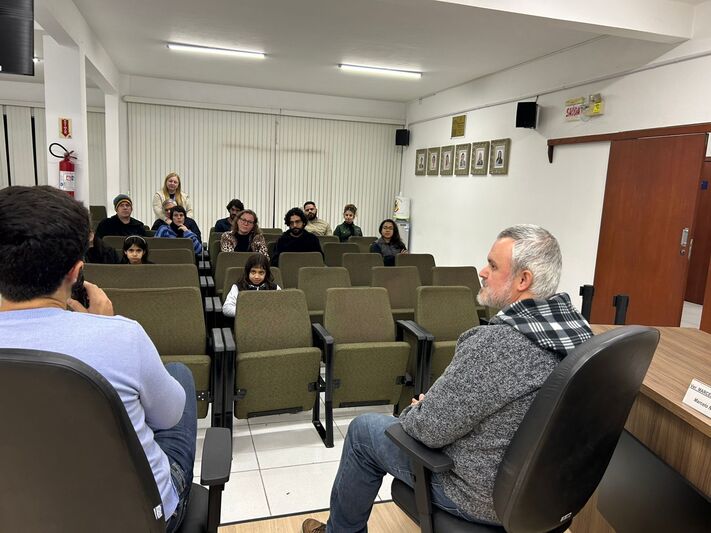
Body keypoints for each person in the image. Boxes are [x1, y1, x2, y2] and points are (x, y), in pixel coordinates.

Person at [302, 224, 593, 533]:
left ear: (524, 280)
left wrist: (419, 410)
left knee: (363, 431)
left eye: (493, 266)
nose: (482, 272)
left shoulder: (496, 345)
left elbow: (428, 430)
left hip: (480, 497)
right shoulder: (581, 335)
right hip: (546, 496)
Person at [0, 185, 197, 532]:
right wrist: (104, 326)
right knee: (178, 375)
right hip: (137, 520)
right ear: (76, 271)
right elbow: (169, 417)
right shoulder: (122, 335)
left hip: (20, 516)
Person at [222, 253, 281, 317]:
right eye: (253, 272)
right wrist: (249, 312)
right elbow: (226, 308)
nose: (256, 276)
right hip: (244, 320)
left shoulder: (274, 288)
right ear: (248, 272)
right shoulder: (238, 287)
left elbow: (283, 307)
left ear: (266, 274)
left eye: (261, 272)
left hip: (269, 320)